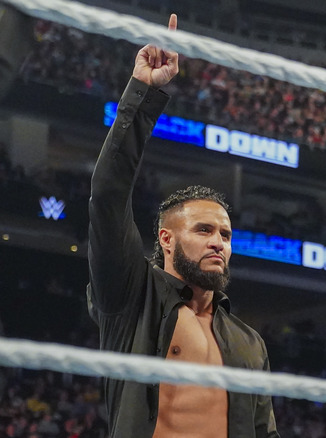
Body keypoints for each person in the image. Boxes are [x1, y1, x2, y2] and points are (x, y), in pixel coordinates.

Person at [86, 14, 279, 438]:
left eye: (225, 235)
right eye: (204, 230)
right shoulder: (131, 300)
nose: (219, 243)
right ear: (166, 239)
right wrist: (145, 95)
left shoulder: (249, 343)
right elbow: (108, 196)